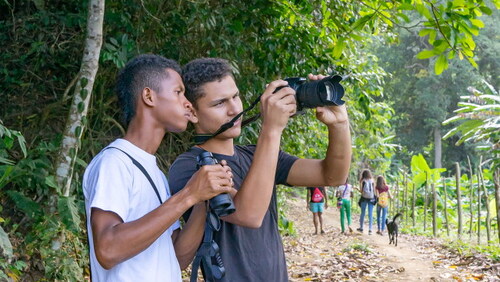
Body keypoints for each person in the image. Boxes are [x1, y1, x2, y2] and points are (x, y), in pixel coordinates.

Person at [168, 58, 351, 281]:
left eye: (235, 96)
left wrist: (339, 124)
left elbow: (331, 175)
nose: (234, 109)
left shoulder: (256, 154)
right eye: (219, 103)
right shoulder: (191, 165)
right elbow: (249, 214)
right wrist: (271, 129)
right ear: (192, 112)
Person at [82, 54, 235, 281]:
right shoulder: (115, 162)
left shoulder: (154, 172)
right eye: (178, 92)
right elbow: (107, 250)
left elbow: (177, 256)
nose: (187, 103)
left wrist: (204, 199)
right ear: (148, 96)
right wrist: (188, 194)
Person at [357, 169, 376, 234]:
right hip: (371, 198)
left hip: (364, 198)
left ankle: (361, 227)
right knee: (370, 214)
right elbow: (374, 190)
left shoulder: (363, 181)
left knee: (363, 213)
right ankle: (370, 229)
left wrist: (359, 186)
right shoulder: (372, 181)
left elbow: (361, 191)